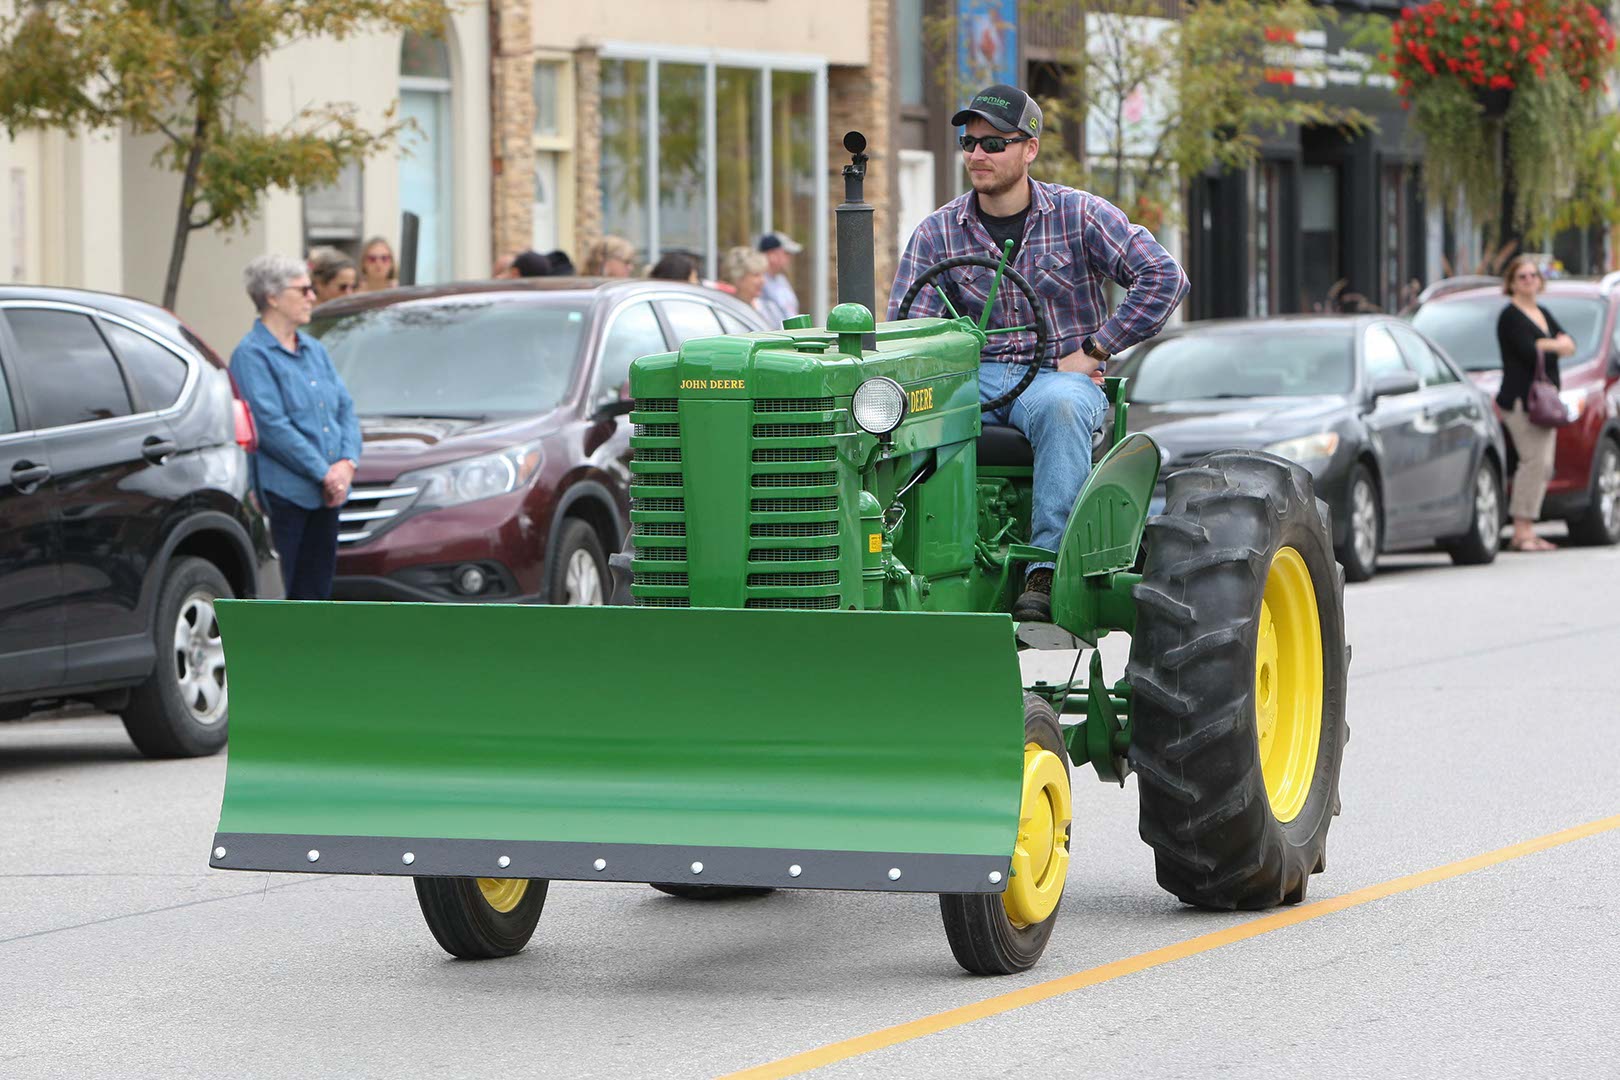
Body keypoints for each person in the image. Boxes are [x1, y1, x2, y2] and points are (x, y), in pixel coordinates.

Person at [889, 83, 1188, 621]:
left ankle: (1047, 571)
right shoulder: (936, 233)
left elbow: (1164, 276)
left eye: (994, 143)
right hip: (971, 379)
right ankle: (905, 561)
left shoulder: (1079, 215)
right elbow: (909, 328)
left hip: (1055, 377)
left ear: (1029, 148)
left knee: (1063, 406)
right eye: (969, 141)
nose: (978, 154)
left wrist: (1096, 349)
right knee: (895, 406)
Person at [230, 254, 362, 600]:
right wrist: (325, 473)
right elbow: (271, 426)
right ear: (272, 297)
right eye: (303, 290)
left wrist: (347, 463)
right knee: (288, 595)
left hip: (328, 495)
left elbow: (345, 408)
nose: (312, 297)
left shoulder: (314, 350)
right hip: (287, 496)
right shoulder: (252, 355)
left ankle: (317, 655)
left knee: (318, 594)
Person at [1496, 255, 1575, 552]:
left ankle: (1528, 527)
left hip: (1545, 401)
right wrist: (1554, 344)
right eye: (1522, 277)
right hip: (1520, 401)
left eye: (1532, 276)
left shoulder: (1542, 312)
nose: (1529, 280)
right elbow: (1529, 352)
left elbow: (1571, 343)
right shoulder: (1510, 316)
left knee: (1544, 465)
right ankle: (1520, 531)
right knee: (1533, 462)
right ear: (1512, 283)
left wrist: (1548, 344)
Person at [757, 231, 802, 326]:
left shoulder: (781, 279)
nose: (789, 258)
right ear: (771, 254)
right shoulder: (758, 282)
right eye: (786, 253)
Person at [720, 246, 769, 313]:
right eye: (756, 275)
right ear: (738, 277)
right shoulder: (724, 308)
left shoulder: (765, 307)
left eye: (763, 275)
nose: (763, 281)